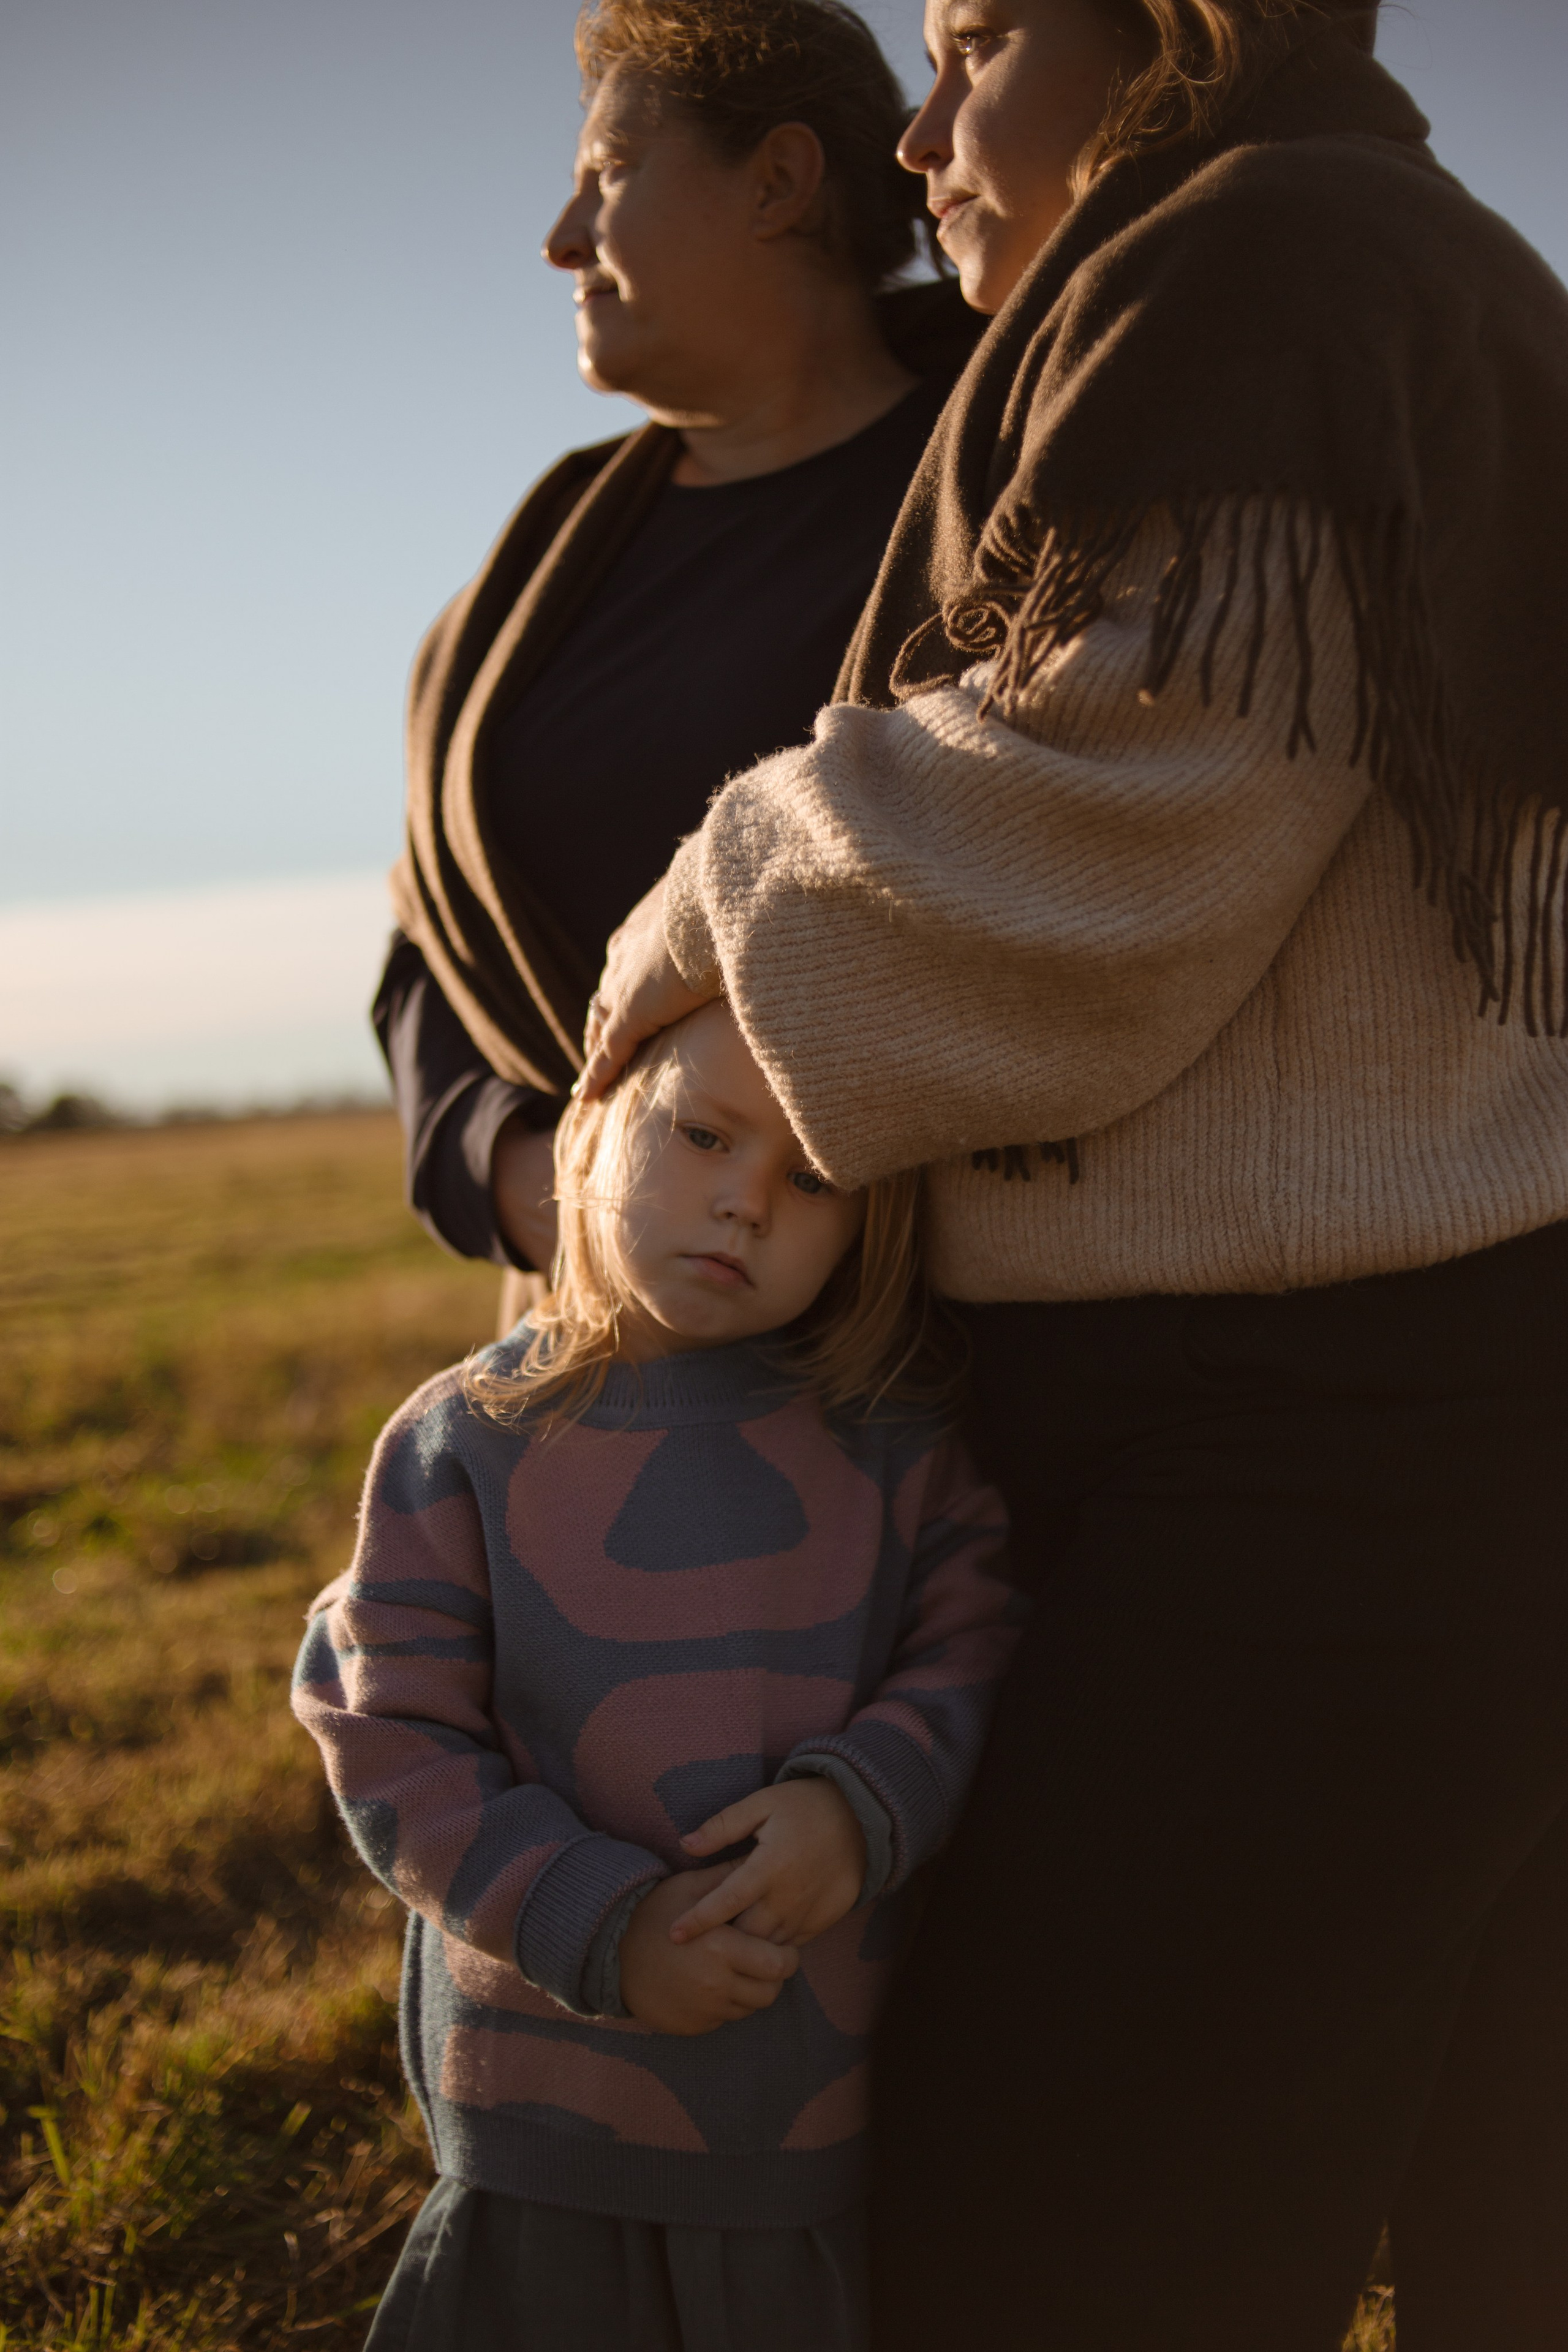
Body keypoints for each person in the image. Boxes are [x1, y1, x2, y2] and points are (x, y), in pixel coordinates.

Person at [577, 2, 1568, 2346]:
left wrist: (706, 902)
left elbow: (1102, 837)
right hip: (1422, 1427)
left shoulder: (1272, 260)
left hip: (1300, 1475)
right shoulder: (1386, 261)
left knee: (1085, 2240)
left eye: (982, 36)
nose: (922, 134)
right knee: (1498, 2201)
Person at [293, 1000, 1019, 2351]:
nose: (747, 1201)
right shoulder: (467, 1441)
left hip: (806, 2133)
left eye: (812, 1178)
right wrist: (606, 1926)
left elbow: (971, 1649)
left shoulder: (891, 1443)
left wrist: (857, 1809)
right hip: (545, 2138)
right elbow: (389, 1732)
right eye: (703, 1135)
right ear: (587, 1132)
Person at [375, 0, 977, 1304]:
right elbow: (430, 944)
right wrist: (540, 1186)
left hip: (945, 1345)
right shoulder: (524, 588)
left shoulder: (1006, 488)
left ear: (778, 182)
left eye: (608, 175)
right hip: (598, 1342)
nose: (561, 239)